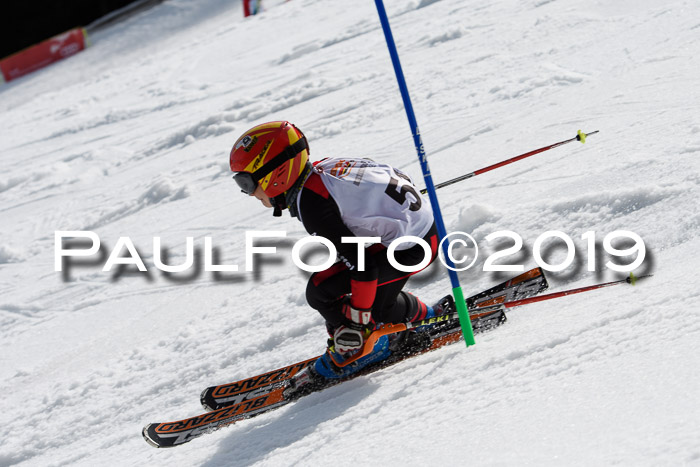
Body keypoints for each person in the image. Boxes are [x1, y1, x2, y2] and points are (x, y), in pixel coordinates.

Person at [229, 121, 446, 379]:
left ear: (275, 173)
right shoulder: (322, 170)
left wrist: (358, 320)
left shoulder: (313, 205)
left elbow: (363, 267)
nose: (250, 194)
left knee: (330, 296)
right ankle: (424, 318)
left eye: (246, 183)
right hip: (414, 234)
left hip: (413, 248)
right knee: (331, 290)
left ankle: (364, 348)